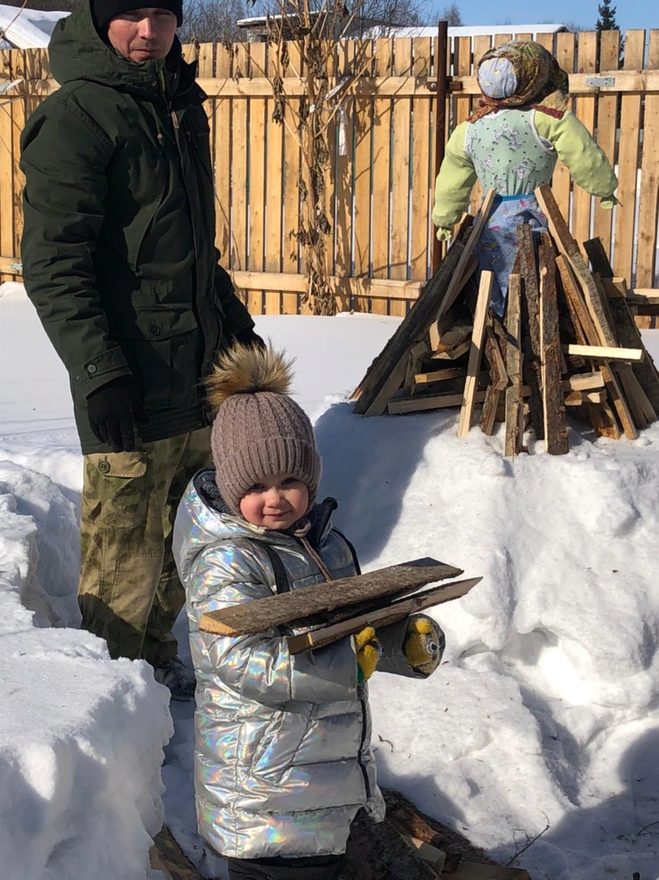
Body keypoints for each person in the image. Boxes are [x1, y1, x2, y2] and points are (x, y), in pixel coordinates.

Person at [19, 0, 262, 699]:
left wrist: (235, 327)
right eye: (130, 14)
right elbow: (55, 265)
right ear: (98, 18)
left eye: (163, 15)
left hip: (196, 375)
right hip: (125, 380)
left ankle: (155, 666)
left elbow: (192, 255)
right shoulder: (80, 116)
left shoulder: (179, 108)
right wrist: (99, 371)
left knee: (182, 548)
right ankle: (112, 707)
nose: (148, 32)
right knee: (123, 566)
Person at [172, 344, 445, 880]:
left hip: (322, 785)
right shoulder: (227, 557)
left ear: (312, 478)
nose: (275, 498)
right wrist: (349, 666)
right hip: (261, 794)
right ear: (229, 485)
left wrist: (395, 645)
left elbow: (352, 631)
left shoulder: (326, 545)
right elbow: (237, 659)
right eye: (255, 486)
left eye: (289, 481)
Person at [432, 39, 618, 316]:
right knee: (538, 278)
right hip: (534, 217)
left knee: (491, 279)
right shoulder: (549, 120)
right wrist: (604, 188)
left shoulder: (468, 129)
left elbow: (452, 179)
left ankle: (496, 330)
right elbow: (584, 156)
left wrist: (445, 218)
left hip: (489, 221)